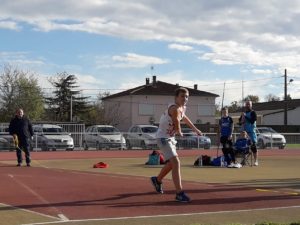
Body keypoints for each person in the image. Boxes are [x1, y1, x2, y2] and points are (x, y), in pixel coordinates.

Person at [151, 87, 202, 202]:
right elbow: (177, 121)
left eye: (187, 96)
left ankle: (157, 180)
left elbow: (185, 118)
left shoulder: (182, 108)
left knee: (171, 164)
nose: (185, 98)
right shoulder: (174, 108)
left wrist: (195, 129)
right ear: (176, 98)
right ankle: (179, 193)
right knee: (176, 162)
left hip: (170, 138)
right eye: (182, 96)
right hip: (163, 138)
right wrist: (179, 131)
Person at [239, 100, 258, 166]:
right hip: (245, 133)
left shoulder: (253, 113)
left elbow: (252, 121)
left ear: (251, 105)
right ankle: (244, 160)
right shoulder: (244, 113)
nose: (247, 105)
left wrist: (246, 116)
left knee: (253, 146)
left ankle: (256, 161)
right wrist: (241, 120)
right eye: (246, 104)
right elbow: (240, 122)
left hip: (251, 132)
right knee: (244, 147)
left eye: (249, 104)